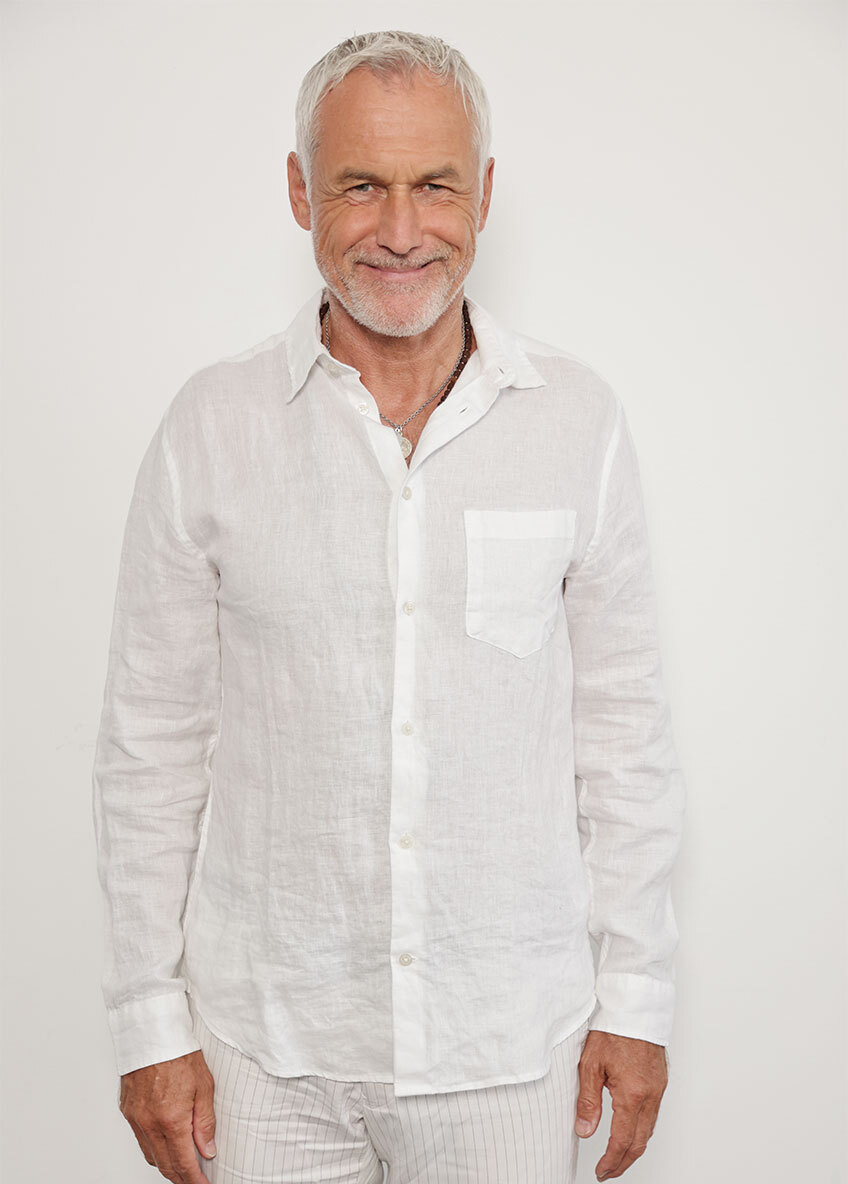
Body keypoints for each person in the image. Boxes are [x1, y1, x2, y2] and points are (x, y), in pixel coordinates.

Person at [92, 28, 685, 1184]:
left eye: (435, 186)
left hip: (504, 1042)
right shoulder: (212, 425)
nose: (401, 230)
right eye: (361, 185)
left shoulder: (577, 421)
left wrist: (637, 999)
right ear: (300, 190)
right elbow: (149, 745)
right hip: (264, 1047)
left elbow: (623, 735)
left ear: (485, 194)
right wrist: (146, 1022)